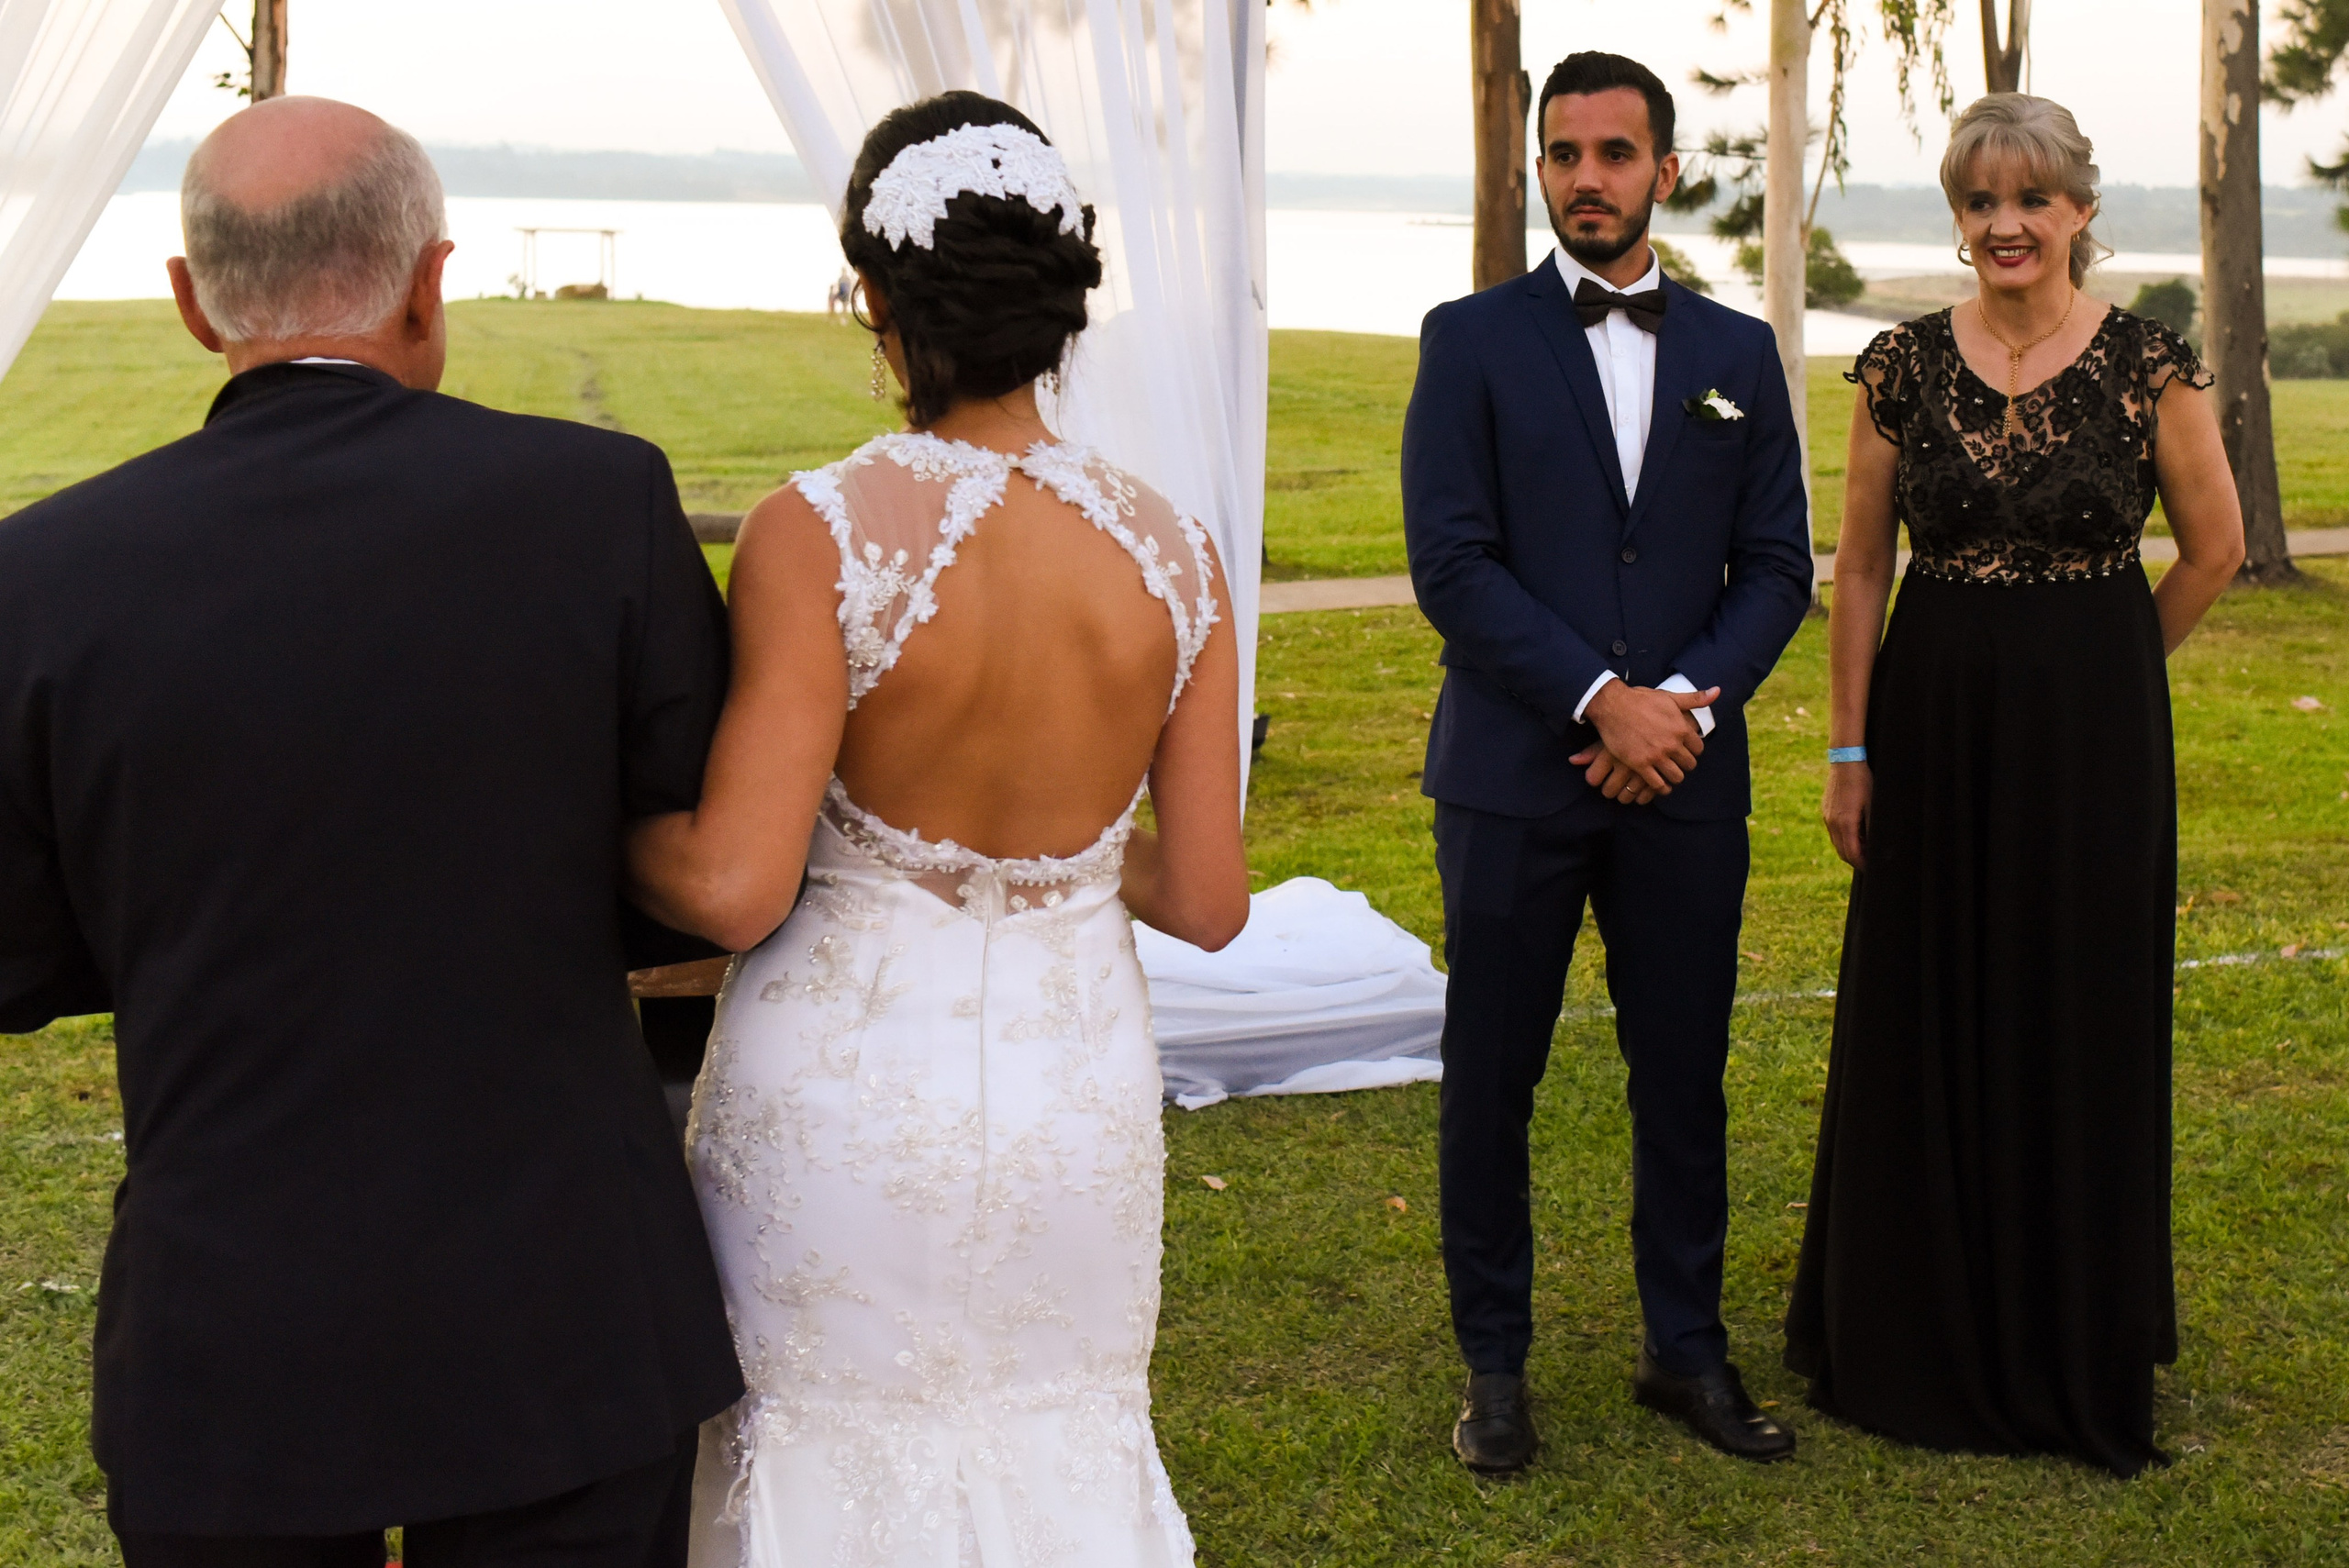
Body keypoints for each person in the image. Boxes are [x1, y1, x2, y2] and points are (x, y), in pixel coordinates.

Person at [0, 98, 744, 1565]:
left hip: (231, 1333)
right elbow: (690, 876)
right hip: (565, 1314)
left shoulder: (40, 574)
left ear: (191, 302)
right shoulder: (603, 501)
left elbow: (18, 959)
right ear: (427, 281)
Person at [623, 92, 1249, 1566]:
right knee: (1064, 1430)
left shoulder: (823, 528)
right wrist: (1078, 855)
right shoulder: (1177, 551)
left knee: (825, 1438)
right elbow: (1211, 898)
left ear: (881, 300)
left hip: (843, 1104)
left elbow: (732, 883)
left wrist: (596, 829)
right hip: (1074, 1099)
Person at [1786, 94, 2245, 1478]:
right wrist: (1850, 747)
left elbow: (2214, 548)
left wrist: (2104, 675)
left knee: (2077, 1003)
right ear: (1959, 215)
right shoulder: (1900, 368)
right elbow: (1861, 566)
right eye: (1981, 200)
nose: (2005, 224)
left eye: (2032, 199)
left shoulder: (2150, 365)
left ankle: (2069, 1328)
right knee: (1925, 997)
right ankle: (1916, 1326)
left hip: (2093, 738)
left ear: (2081, 213)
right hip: (1926, 721)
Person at [1401, 52, 1814, 1475]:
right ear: (1537, 169)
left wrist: (1679, 710)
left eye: (1617, 153)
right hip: (1514, 776)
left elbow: (1776, 566)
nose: (1590, 177)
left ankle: (1684, 1349)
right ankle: (1496, 1366)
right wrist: (1597, 702)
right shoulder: (1466, 341)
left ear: (1666, 170)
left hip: (1687, 780)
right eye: (1566, 154)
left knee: (1683, 1070)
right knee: (1490, 1074)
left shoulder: (1738, 354)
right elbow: (1452, 565)